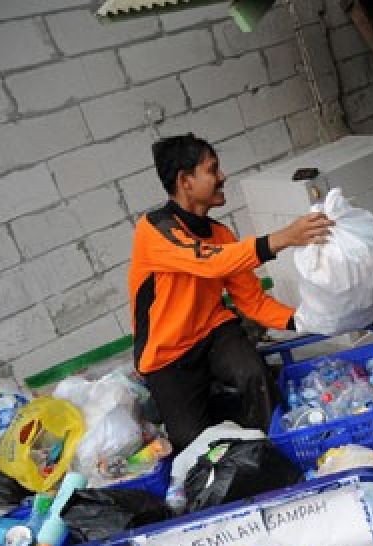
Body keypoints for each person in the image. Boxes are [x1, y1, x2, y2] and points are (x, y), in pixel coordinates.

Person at [128, 133, 331, 452]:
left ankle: (279, 451)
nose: (222, 177)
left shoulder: (221, 234)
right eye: (212, 170)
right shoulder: (155, 229)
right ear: (185, 181)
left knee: (253, 375)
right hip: (167, 355)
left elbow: (254, 301)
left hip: (214, 331)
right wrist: (285, 237)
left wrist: (308, 320)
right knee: (192, 445)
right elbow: (211, 263)